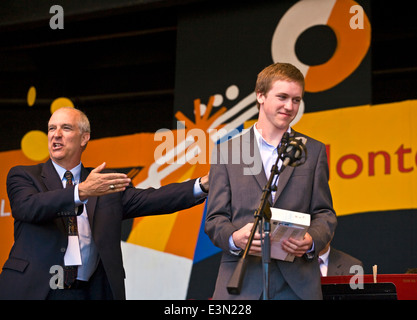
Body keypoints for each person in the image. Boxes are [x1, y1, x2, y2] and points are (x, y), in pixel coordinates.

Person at [0, 107, 209, 300]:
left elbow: (153, 199)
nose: (56, 134)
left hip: (89, 291)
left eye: (66, 128)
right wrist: (80, 191)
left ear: (84, 138)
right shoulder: (24, 175)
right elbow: (27, 207)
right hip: (37, 290)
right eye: (51, 128)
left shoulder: (103, 182)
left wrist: (203, 184)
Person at [205, 62, 337, 300]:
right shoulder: (227, 152)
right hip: (241, 282)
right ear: (260, 96)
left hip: (297, 286)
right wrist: (235, 239)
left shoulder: (313, 151)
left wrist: (310, 241)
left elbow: (325, 214)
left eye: (296, 100)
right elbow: (215, 219)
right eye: (283, 97)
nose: (290, 106)